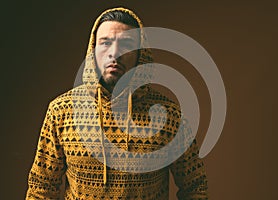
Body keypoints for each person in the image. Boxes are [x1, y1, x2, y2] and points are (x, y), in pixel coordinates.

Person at [26, 7, 208, 200]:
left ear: (140, 54)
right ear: (92, 50)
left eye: (126, 44)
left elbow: (195, 186)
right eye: (105, 43)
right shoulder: (61, 111)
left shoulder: (170, 116)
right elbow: (41, 188)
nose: (114, 53)